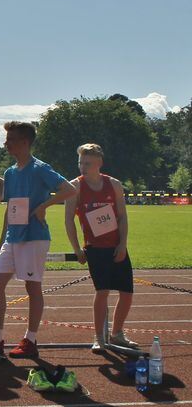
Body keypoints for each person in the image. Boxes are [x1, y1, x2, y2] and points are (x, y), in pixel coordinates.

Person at [0, 121, 77, 359]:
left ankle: (30, 339)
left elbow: (70, 189)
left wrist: (43, 206)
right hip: (13, 237)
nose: (6, 143)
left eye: (10, 139)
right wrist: (0, 243)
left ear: (25, 142)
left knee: (32, 287)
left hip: (34, 237)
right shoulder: (9, 172)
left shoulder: (40, 168)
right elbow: (10, 209)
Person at [64, 143, 138, 352]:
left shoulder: (113, 184)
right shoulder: (75, 187)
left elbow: (122, 216)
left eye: (87, 163)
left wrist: (122, 244)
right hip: (95, 247)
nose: (82, 166)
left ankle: (117, 333)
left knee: (126, 292)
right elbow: (69, 220)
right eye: (80, 162)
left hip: (116, 245)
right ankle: (99, 337)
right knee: (102, 291)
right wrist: (77, 248)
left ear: (99, 163)